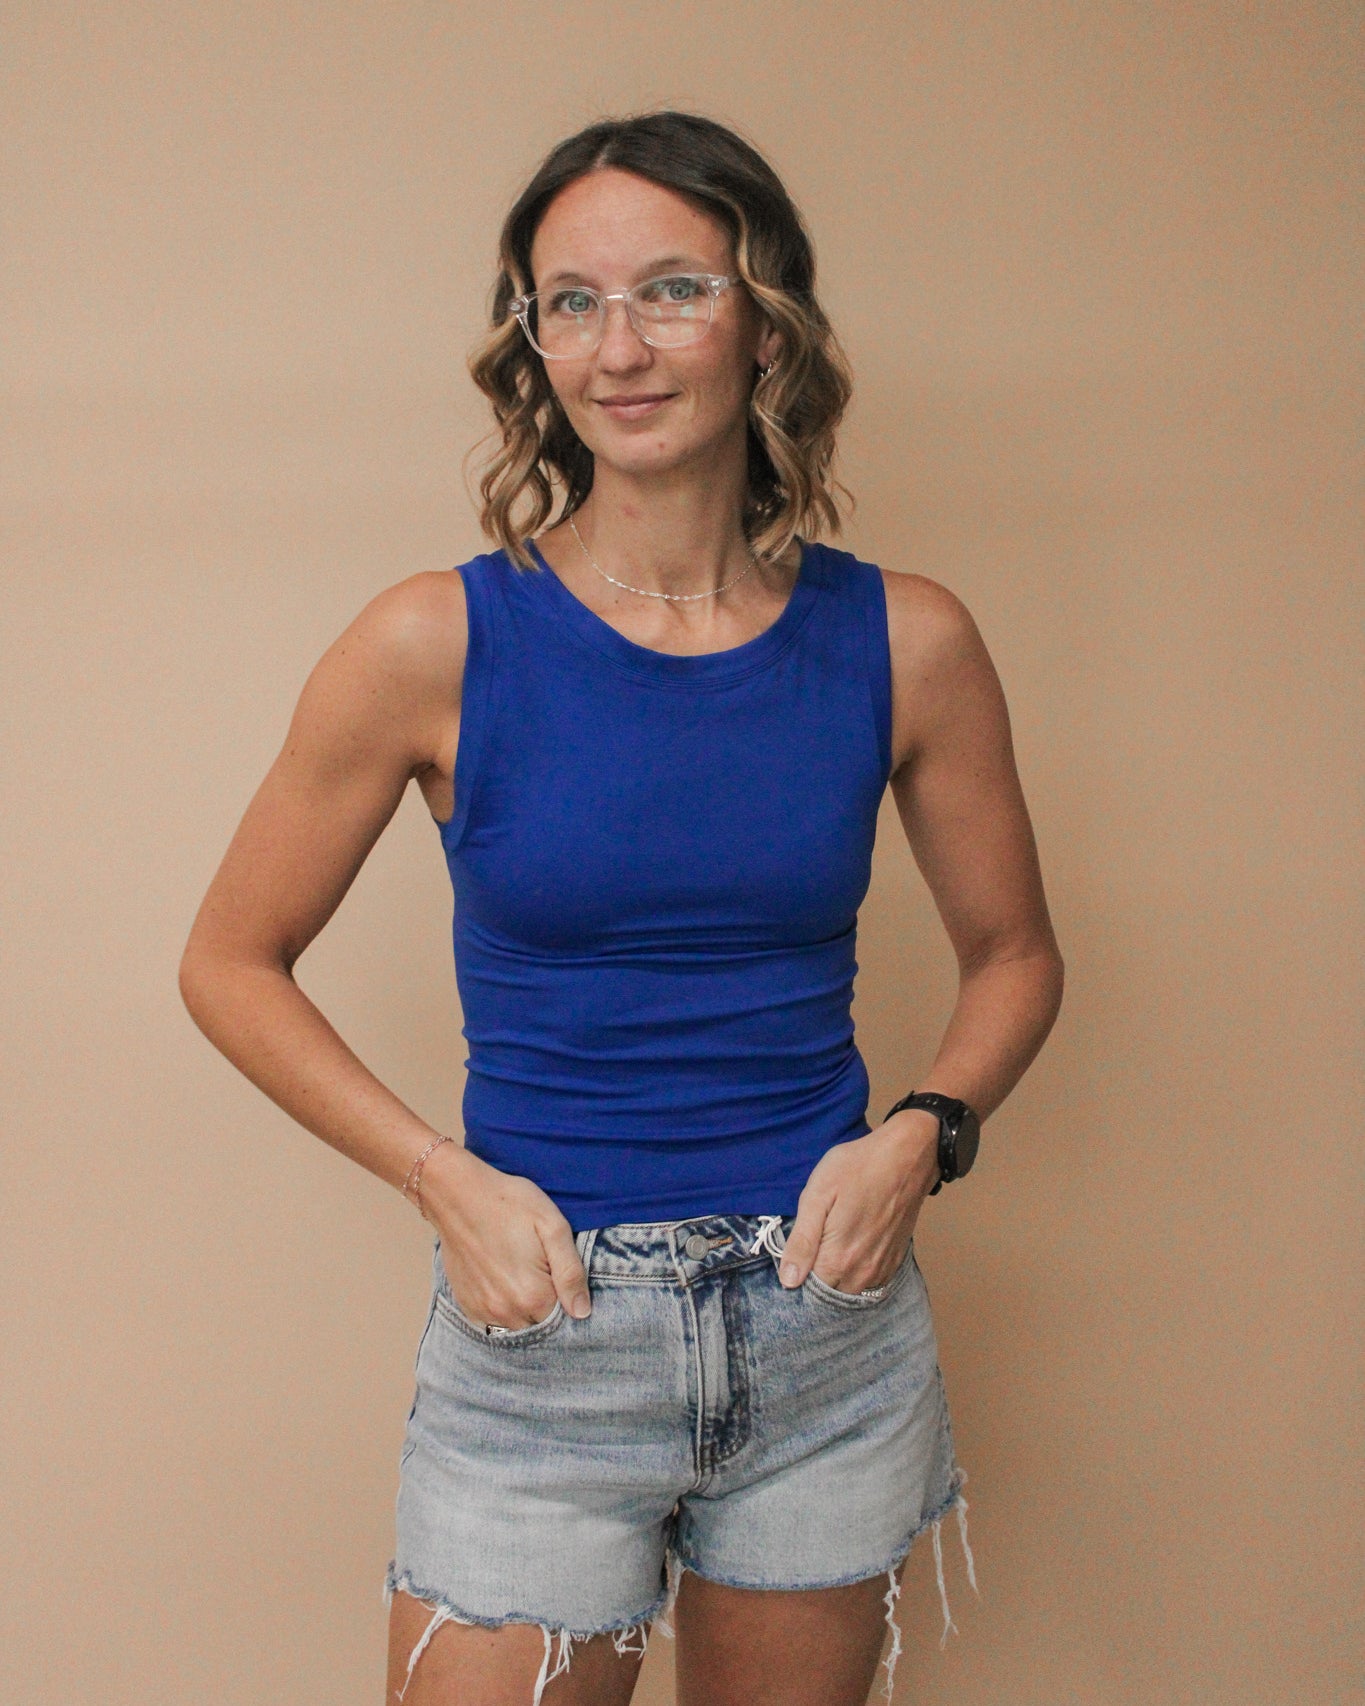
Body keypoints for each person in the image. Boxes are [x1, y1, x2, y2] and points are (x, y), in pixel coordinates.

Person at [180, 110, 1064, 1706]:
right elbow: (229, 962)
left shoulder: (905, 641)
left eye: (671, 289)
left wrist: (924, 1132)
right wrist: (441, 1179)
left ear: (765, 321)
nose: (618, 346)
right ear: (531, 341)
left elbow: (1013, 956)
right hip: (543, 1344)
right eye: (570, 302)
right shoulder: (434, 641)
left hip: (823, 1333)